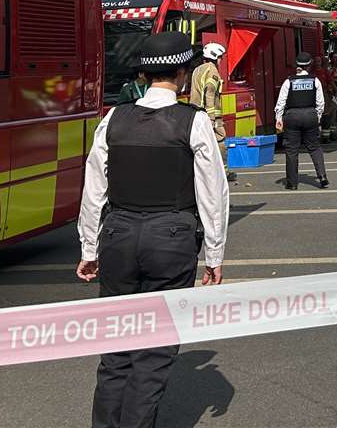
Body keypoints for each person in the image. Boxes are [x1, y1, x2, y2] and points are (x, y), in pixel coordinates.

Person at [76, 31, 228, 428]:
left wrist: (89, 248)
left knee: (115, 351)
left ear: (143, 73)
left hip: (118, 237)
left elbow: (94, 188)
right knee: (154, 354)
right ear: (181, 74)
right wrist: (214, 254)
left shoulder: (113, 118)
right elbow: (213, 193)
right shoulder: (193, 122)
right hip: (172, 238)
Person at [275, 52, 329, 189]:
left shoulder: (289, 81)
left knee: (292, 150)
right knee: (314, 147)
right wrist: (317, 117)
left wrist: (278, 118)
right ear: (310, 65)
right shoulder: (315, 80)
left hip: (292, 116)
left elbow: (281, 102)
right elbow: (320, 103)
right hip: (310, 114)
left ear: (297, 65)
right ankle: (322, 177)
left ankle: (292, 183)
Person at [190, 42, 235, 184]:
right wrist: (212, 119)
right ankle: (224, 171)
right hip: (210, 115)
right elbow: (209, 94)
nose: (221, 60)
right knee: (220, 141)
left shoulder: (197, 69)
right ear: (215, 57)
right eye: (220, 57)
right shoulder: (212, 71)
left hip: (195, 112)